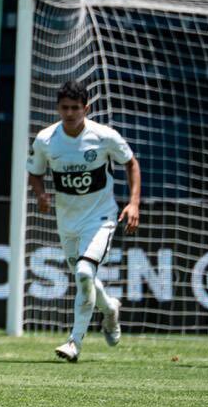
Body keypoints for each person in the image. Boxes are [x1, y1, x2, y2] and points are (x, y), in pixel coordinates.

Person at [26, 79, 141, 363]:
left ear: (86, 108)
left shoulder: (104, 136)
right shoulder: (46, 140)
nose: (70, 114)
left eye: (75, 108)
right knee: (84, 276)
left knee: (84, 273)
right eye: (64, 108)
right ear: (57, 108)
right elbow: (35, 172)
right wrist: (40, 195)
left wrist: (134, 202)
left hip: (101, 217)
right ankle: (110, 309)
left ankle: (74, 342)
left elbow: (131, 163)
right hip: (67, 221)